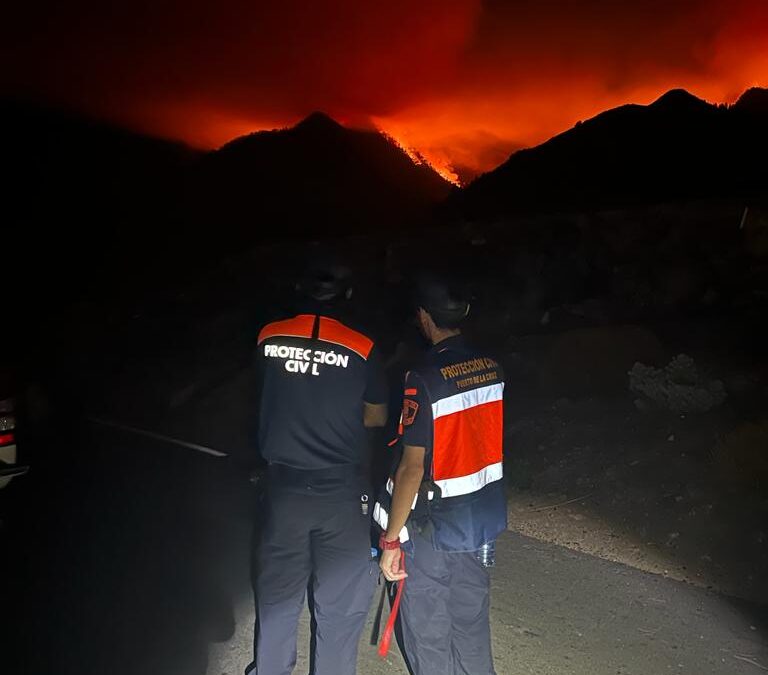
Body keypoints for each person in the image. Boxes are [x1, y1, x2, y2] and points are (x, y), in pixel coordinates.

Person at [249, 261, 388, 675]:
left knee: (277, 600)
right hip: (341, 492)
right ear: (345, 296)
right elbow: (377, 417)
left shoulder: (268, 336)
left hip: (283, 489)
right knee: (340, 608)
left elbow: (270, 391)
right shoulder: (362, 347)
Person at [373, 274, 506, 675]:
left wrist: (391, 538)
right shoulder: (492, 368)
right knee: (471, 624)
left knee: (428, 631)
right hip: (480, 522)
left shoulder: (424, 379)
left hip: (435, 527)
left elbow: (412, 468)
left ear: (424, 317)